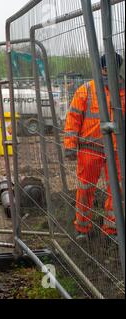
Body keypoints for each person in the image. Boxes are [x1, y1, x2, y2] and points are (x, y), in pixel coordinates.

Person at [64, 53, 125, 241]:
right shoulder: (86, 91)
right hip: (90, 150)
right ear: (101, 69)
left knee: (118, 190)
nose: (108, 73)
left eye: (111, 69)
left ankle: (112, 230)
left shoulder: (123, 91)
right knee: (85, 189)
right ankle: (82, 229)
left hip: (117, 151)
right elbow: (73, 119)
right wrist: (70, 145)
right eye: (106, 69)